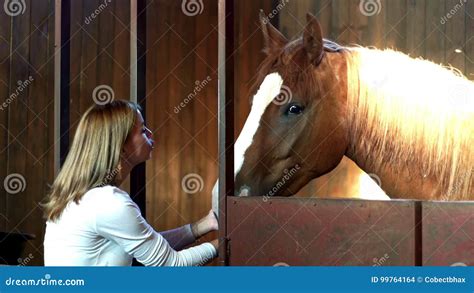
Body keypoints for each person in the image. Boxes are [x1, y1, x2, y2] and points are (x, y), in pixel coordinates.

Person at [42, 100, 218, 266]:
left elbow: (148, 247)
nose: (150, 133)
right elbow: (170, 264)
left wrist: (204, 225)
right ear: (121, 145)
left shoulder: (85, 198)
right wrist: (225, 242)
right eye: (142, 130)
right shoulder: (107, 202)